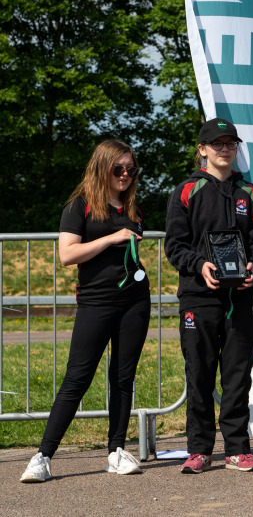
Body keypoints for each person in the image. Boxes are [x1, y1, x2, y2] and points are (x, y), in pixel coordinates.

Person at [20, 140, 151, 483]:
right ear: (101, 167)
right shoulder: (79, 206)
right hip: (95, 302)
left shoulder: (134, 208)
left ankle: (116, 451)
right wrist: (110, 238)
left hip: (135, 300)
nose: (125, 175)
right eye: (118, 169)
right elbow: (67, 255)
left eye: (131, 169)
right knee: (76, 378)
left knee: (123, 378)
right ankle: (43, 456)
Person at [165, 118, 253, 474]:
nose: (224, 149)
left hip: (241, 296)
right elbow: (175, 246)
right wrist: (200, 266)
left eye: (231, 144)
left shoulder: (252, 193)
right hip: (198, 296)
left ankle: (237, 449)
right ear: (202, 149)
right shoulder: (186, 191)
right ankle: (199, 450)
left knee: (237, 374)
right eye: (217, 144)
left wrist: (252, 267)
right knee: (199, 373)